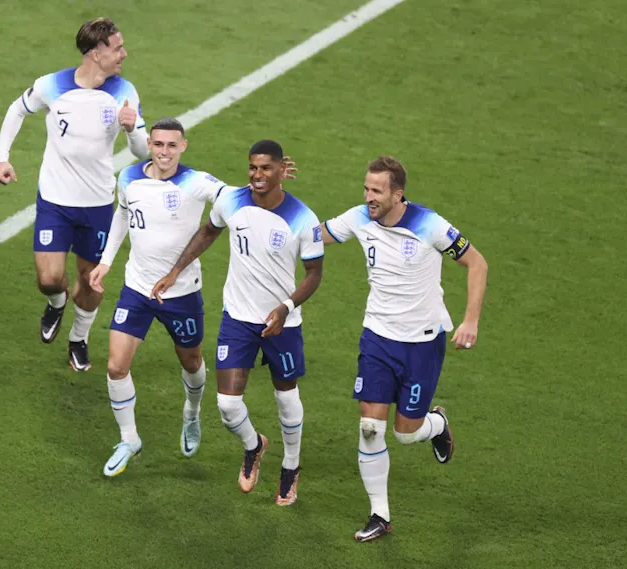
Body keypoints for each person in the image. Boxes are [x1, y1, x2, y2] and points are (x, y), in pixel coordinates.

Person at [89, 120, 299, 477]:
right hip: (137, 289)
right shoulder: (128, 178)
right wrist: (106, 262)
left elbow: (239, 196)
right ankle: (130, 438)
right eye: (158, 144)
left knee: (191, 361)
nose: (164, 152)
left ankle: (191, 411)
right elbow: (122, 215)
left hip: (182, 293)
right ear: (149, 144)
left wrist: (271, 178)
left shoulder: (196, 181)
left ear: (183, 146)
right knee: (115, 365)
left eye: (172, 145)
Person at [318, 155, 489, 542]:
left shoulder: (430, 225)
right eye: (366, 188)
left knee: (406, 433)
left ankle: (438, 423)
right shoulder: (360, 217)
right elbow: (314, 235)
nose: (368, 197)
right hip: (377, 338)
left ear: (399, 194)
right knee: (369, 427)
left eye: (377, 191)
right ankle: (380, 514)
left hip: (422, 344)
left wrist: (471, 320)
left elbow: (477, 264)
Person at [151, 140, 324, 506]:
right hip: (238, 320)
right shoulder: (231, 201)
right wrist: (175, 270)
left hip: (283, 323)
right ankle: (253, 445)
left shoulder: (302, 218)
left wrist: (286, 306)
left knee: (286, 397)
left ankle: (290, 467)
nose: (257, 175)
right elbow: (208, 231)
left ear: (281, 169)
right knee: (228, 407)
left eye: (265, 168)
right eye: (253, 167)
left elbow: (313, 274)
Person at [0, 18, 149, 371]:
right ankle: (57, 302)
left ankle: (78, 339)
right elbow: (19, 108)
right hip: (55, 201)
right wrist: (2, 156)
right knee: (48, 279)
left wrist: (131, 128)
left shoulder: (124, 91)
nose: (125, 53)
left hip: (97, 205)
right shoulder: (53, 85)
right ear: (95, 53)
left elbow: (142, 151)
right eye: (117, 47)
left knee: (91, 282)